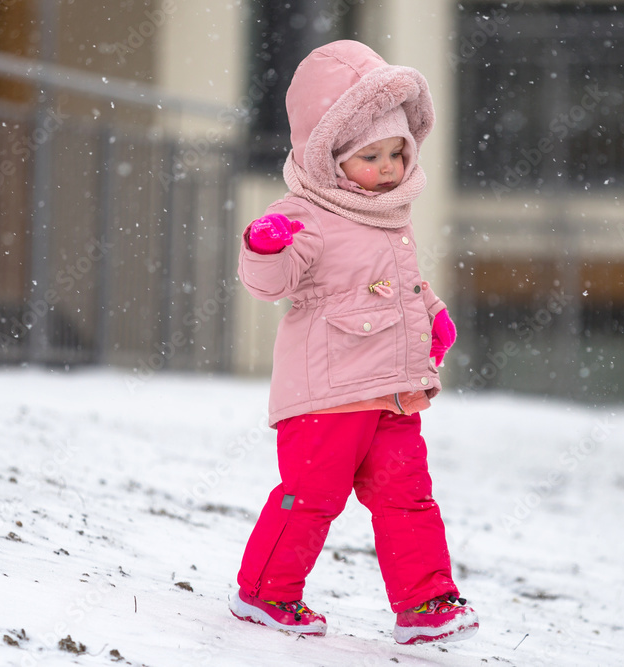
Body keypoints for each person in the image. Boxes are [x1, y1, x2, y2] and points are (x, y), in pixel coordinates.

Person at [228, 40, 478, 646]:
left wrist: (431, 312)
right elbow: (273, 284)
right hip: (328, 392)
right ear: (330, 156)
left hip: (390, 392)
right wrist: (265, 247)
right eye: (372, 156)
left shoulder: (390, 211)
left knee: (408, 496)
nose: (389, 167)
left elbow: (399, 286)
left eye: (398, 152)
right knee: (310, 496)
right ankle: (265, 592)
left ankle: (426, 604)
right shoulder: (307, 213)